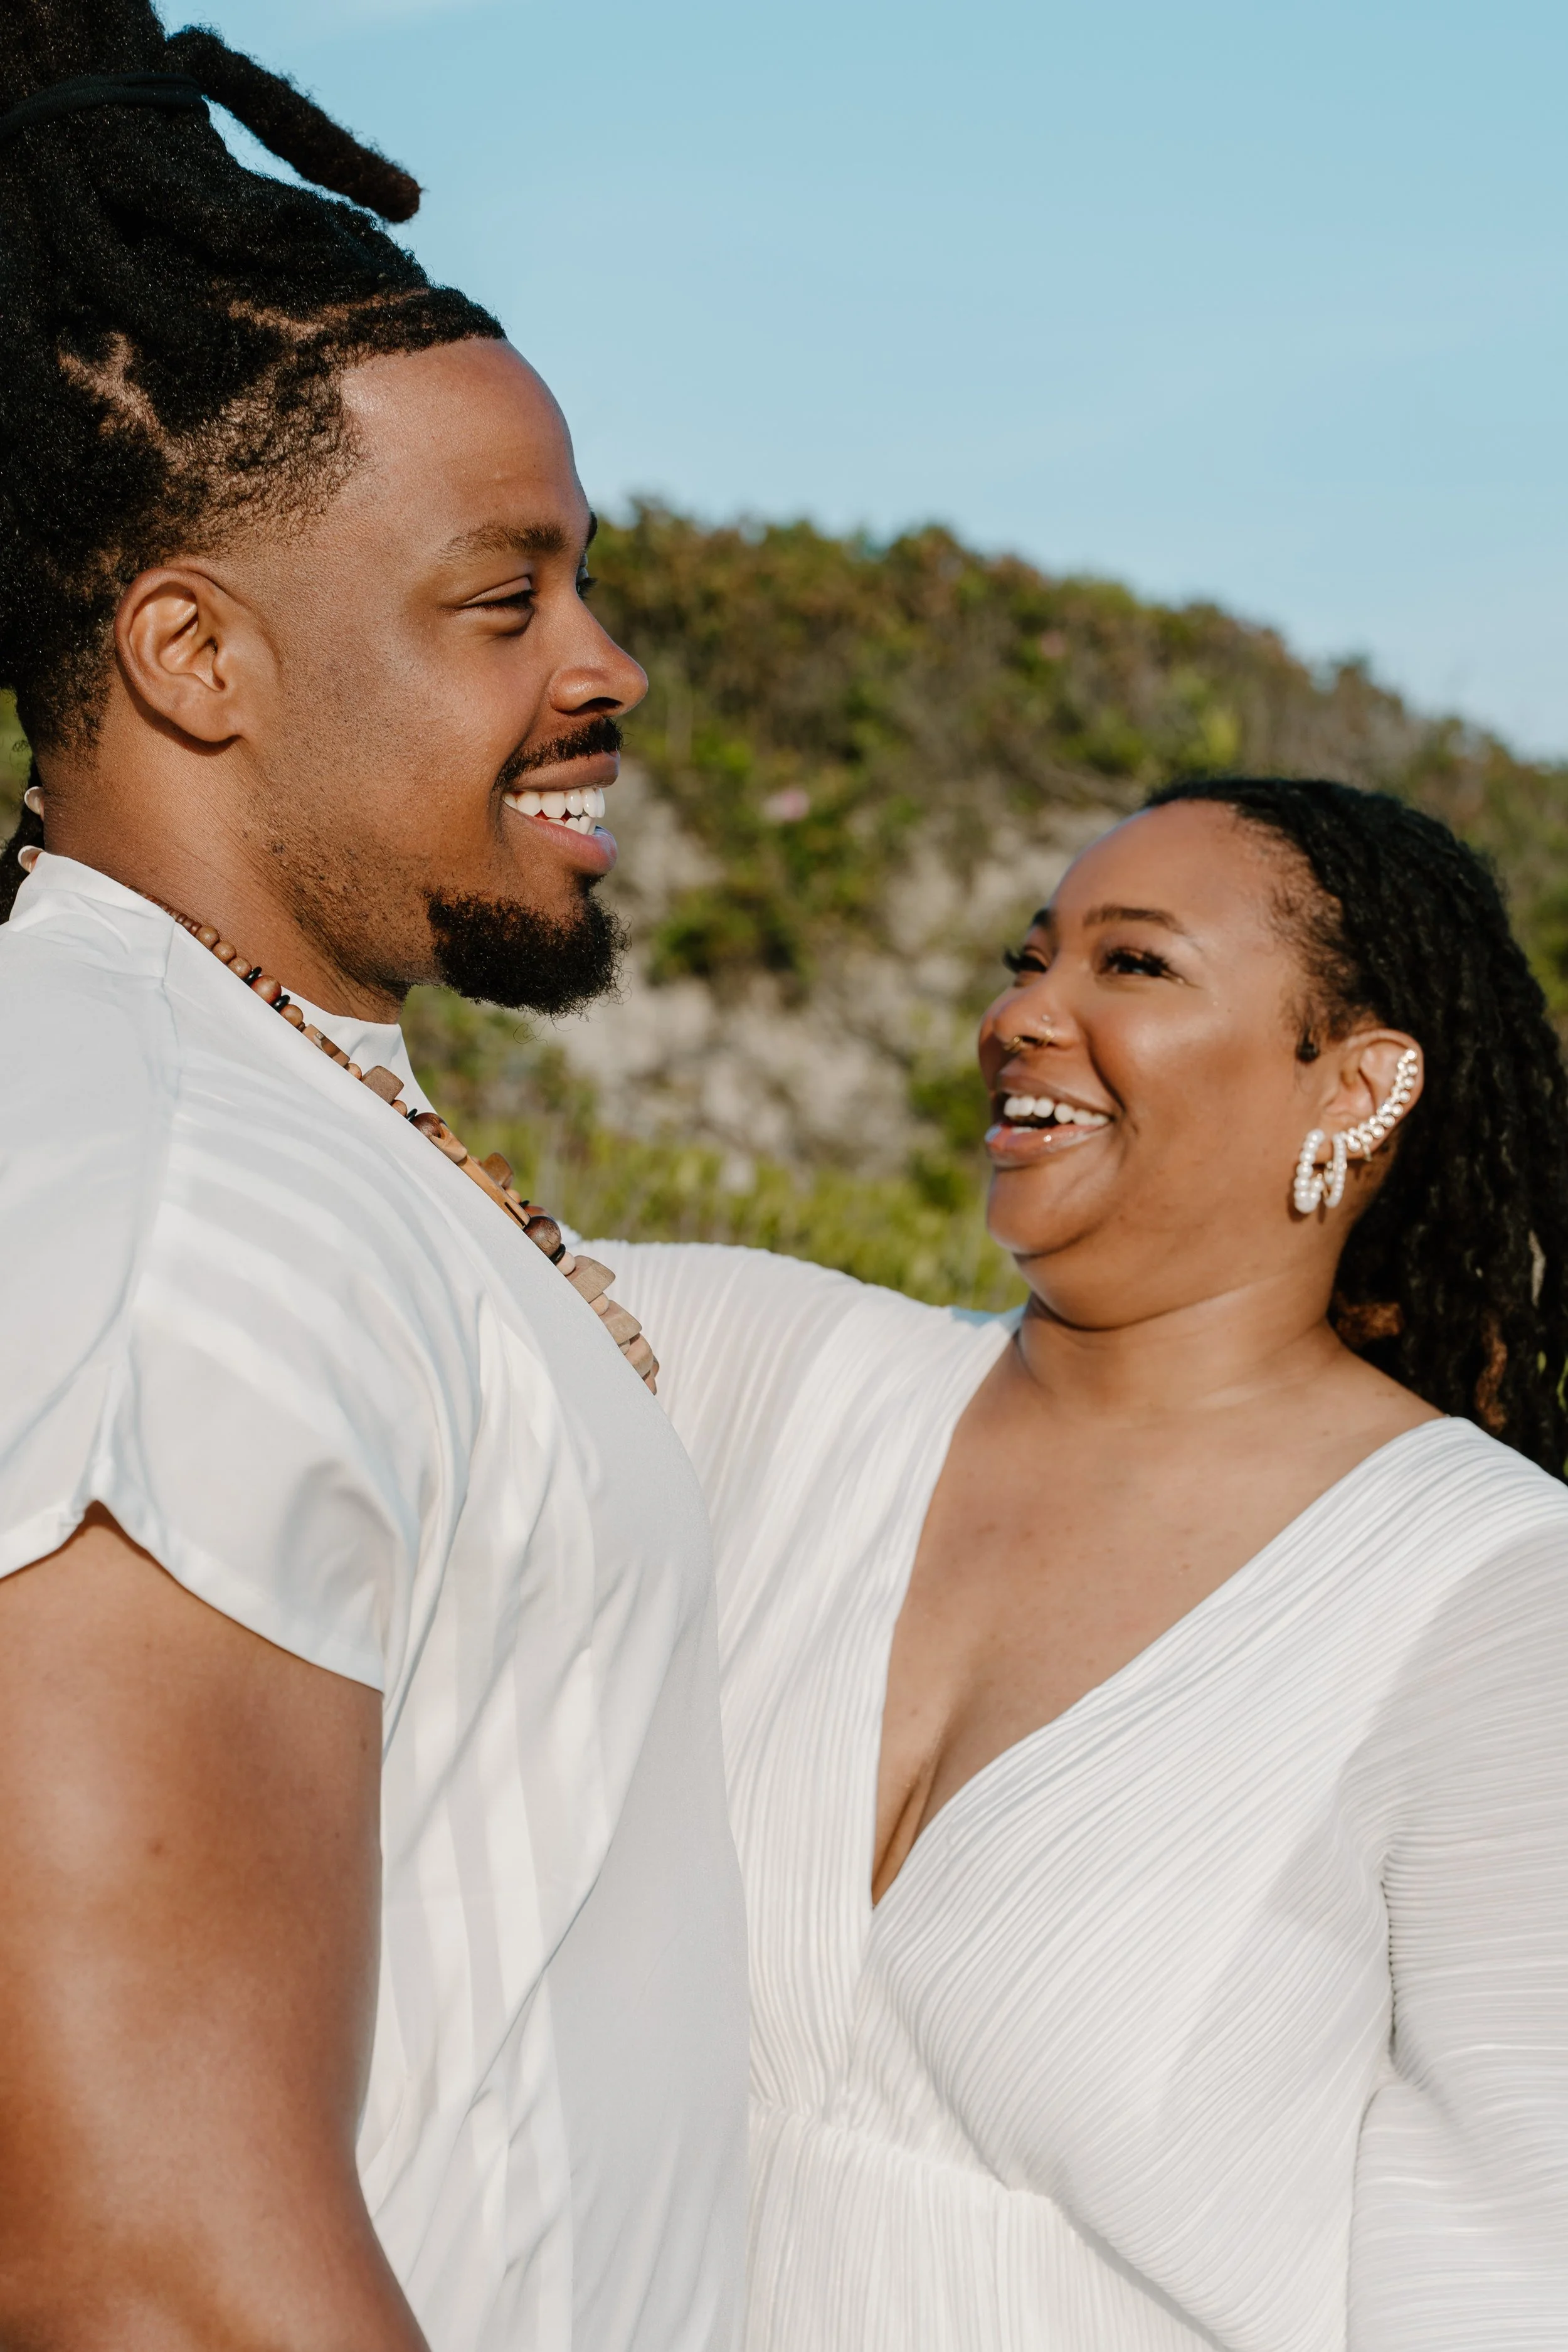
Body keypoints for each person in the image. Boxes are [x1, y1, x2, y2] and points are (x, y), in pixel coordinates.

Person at [0, 11, 746, 2351]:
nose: (606, 665)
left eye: (586, 582)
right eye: (501, 598)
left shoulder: (275, 1117)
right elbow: (144, 2264)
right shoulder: (167, 1213)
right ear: (198, 656)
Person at [599, 777, 1568, 2350]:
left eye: (1131, 966)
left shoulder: (1493, 1598)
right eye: (1024, 957)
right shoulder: (755, 1371)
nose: (1021, 1015)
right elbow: (333, 1212)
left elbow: (1510, 2269)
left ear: (1357, 1085)